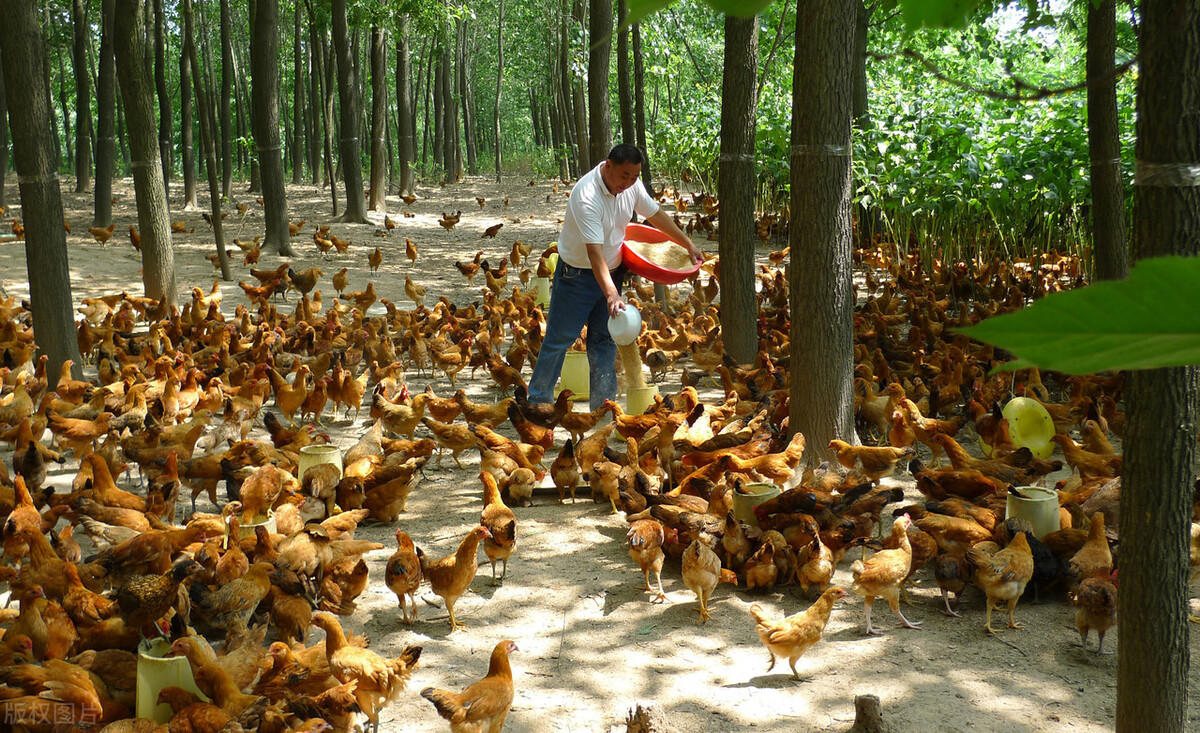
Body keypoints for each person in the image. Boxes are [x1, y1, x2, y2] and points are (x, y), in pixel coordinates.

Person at [526, 144, 703, 410]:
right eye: (624, 176)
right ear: (608, 166)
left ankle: (603, 408)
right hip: (577, 273)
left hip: (613, 269)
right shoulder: (586, 196)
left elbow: (655, 215)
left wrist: (686, 242)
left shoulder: (632, 184)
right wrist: (611, 293)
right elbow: (594, 254)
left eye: (634, 176)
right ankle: (538, 400)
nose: (629, 183)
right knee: (560, 338)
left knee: (604, 339)